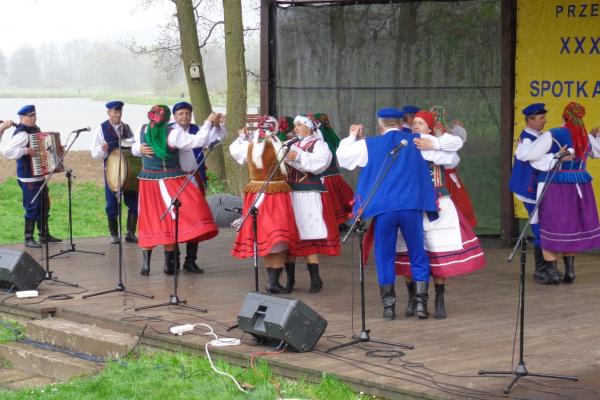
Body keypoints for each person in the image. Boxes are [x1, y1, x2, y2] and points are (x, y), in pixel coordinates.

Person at [337, 108, 438, 320]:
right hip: (411, 207)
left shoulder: (369, 144)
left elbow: (343, 158)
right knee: (417, 253)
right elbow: (449, 150)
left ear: (380, 125)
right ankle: (421, 305)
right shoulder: (418, 140)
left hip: (385, 209)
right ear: (402, 124)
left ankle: (389, 308)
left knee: (385, 256)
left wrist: (352, 136)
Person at [395, 110, 486, 319]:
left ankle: (439, 301)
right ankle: (414, 300)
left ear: (429, 127)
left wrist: (435, 142)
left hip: (439, 205)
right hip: (414, 205)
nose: (416, 126)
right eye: (414, 123)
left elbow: (455, 151)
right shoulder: (405, 146)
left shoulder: (441, 148)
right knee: (408, 252)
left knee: (437, 253)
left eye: (420, 123)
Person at [132, 105, 222, 276]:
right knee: (191, 208)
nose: (184, 116)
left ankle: (150, 264)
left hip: (148, 181)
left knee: (150, 218)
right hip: (169, 179)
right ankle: (169, 264)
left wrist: (138, 149)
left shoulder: (143, 128)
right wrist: (208, 122)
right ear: (169, 117)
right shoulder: (172, 132)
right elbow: (198, 142)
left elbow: (136, 146)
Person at [527, 102, 600, 283]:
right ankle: (570, 271)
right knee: (570, 227)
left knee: (549, 226)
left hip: (556, 184)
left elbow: (531, 155)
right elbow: (597, 152)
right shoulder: (585, 136)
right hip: (579, 185)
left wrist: (549, 159)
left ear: (564, 117)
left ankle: (551, 274)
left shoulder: (553, 134)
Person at [229, 116, 300, 293]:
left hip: (256, 194)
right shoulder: (280, 146)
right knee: (278, 237)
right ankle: (272, 283)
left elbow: (234, 150)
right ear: (275, 129)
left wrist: (241, 137)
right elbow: (297, 160)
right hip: (275, 196)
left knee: (266, 236)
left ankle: (272, 282)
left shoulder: (250, 146)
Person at [284, 115, 340, 294]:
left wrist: (297, 157)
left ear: (309, 126)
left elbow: (320, 164)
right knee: (291, 234)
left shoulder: (319, 145)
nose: (297, 127)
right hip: (291, 192)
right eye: (295, 125)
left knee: (308, 232)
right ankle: (289, 279)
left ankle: (315, 279)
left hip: (308, 193)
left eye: (300, 124)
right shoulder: (293, 144)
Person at [509, 103, 560, 284]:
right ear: (530, 120)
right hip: (528, 189)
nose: (544, 121)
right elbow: (525, 156)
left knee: (544, 225)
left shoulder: (537, 136)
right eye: (541, 118)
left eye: (544, 118)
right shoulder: (528, 139)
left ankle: (547, 267)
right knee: (540, 227)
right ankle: (542, 269)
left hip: (536, 188)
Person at [2, 105, 62, 248]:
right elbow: (7, 152)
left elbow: (42, 149)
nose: (33, 118)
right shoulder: (22, 133)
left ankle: (43, 235)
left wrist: (56, 149)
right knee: (32, 207)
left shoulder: (35, 129)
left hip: (39, 175)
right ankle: (28, 238)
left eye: (34, 115)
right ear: (22, 118)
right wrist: (25, 150)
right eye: (30, 116)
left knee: (44, 206)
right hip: (28, 176)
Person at [170, 101, 214, 274]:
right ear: (174, 116)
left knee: (196, 219)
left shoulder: (197, 130)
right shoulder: (170, 131)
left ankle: (190, 260)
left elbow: (214, 139)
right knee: (176, 219)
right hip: (175, 180)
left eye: (187, 113)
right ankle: (173, 260)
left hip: (194, 178)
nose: (184, 117)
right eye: (180, 113)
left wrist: (217, 126)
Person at [90, 101, 138, 244]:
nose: (117, 114)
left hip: (129, 172)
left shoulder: (127, 128)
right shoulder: (102, 128)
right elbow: (95, 153)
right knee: (112, 204)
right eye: (114, 112)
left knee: (134, 201)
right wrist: (103, 148)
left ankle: (130, 233)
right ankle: (114, 234)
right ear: (109, 113)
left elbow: (134, 146)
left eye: (119, 112)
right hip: (112, 171)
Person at [429, 105, 477, 228]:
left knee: (456, 201)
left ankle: (458, 227)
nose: (439, 119)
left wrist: (457, 128)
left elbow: (459, 141)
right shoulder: (434, 132)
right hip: (440, 174)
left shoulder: (443, 131)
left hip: (447, 174)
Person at [313, 113, 354, 228]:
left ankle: (335, 223)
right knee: (338, 198)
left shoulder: (319, 133)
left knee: (330, 201)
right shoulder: (329, 132)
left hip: (325, 174)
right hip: (333, 173)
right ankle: (341, 222)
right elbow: (337, 144)